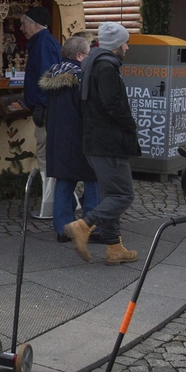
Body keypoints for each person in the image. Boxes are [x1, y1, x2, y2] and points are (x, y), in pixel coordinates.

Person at [64, 22, 141, 265]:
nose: (127, 48)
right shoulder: (106, 67)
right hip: (109, 142)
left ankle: (114, 247)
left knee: (111, 195)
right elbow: (113, 104)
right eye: (125, 43)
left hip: (95, 140)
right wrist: (130, 125)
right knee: (123, 194)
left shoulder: (91, 63)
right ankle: (84, 225)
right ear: (117, 44)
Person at [40, 35, 97, 241]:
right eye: (88, 54)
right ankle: (91, 226)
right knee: (93, 180)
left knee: (64, 182)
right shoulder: (81, 77)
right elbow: (87, 110)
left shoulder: (53, 75)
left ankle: (63, 229)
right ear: (79, 55)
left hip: (58, 138)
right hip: (80, 137)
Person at [20, 6, 62, 219]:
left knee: (46, 157)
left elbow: (47, 78)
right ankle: (61, 202)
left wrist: (42, 105)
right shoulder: (44, 42)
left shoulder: (43, 44)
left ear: (36, 24)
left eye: (24, 24)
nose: (21, 28)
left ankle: (51, 205)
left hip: (46, 110)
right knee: (48, 156)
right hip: (47, 109)